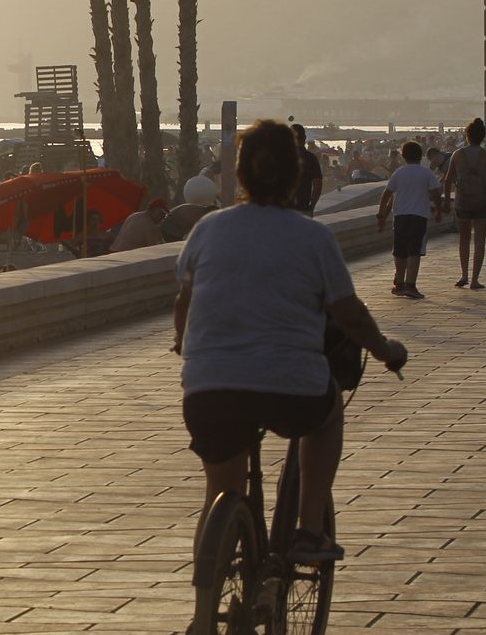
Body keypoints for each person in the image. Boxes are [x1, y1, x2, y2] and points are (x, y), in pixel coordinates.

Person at [173, 119, 406, 575]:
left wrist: (183, 345)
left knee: (221, 491)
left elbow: (185, 299)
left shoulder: (207, 230)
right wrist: (384, 350)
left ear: (239, 173)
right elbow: (348, 313)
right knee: (327, 416)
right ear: (295, 174)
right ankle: (310, 528)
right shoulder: (312, 237)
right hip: (290, 388)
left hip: (209, 389)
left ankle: (204, 611)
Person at [376, 140, 442, 299]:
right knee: (414, 251)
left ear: (404, 156)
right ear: (420, 155)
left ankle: (399, 284)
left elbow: (387, 194)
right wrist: (438, 210)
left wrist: (381, 215)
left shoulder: (399, 172)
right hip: (419, 216)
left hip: (400, 216)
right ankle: (410, 286)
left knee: (399, 251)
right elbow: (436, 194)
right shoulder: (426, 173)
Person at [442, 118, 486, 290]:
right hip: (483, 202)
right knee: (480, 241)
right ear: (483, 136)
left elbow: (447, 180)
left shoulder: (458, 155)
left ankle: (464, 275)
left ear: (467, 135)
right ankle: (475, 279)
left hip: (463, 202)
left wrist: (447, 201)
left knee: (464, 239)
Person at [162, 176, 219, 242]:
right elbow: (198, 232)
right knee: (175, 246)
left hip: (172, 224)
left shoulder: (200, 210)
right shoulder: (198, 215)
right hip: (171, 226)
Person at [291, 124, 324, 216]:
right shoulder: (311, 158)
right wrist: (312, 206)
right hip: (303, 207)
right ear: (305, 138)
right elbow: (318, 184)